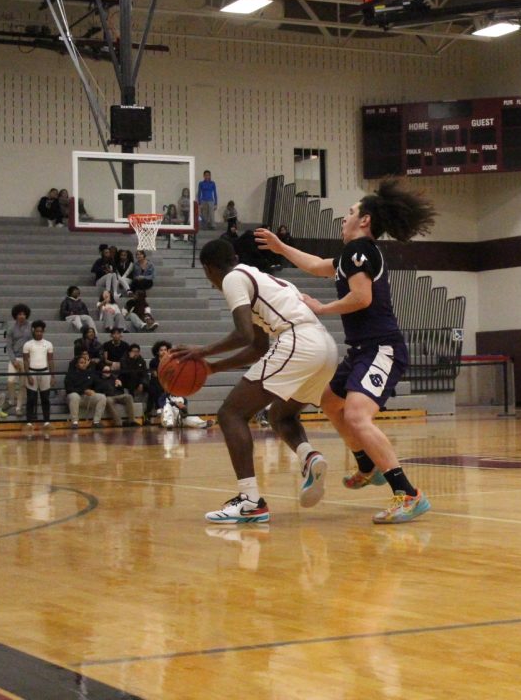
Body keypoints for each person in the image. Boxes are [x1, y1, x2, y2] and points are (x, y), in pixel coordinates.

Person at [255, 179, 435, 524]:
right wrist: (281, 248)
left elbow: (362, 298)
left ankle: (408, 494)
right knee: (330, 402)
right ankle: (367, 464)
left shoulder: (361, 251)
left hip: (381, 347)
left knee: (355, 415)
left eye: (350, 213)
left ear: (364, 220)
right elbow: (316, 265)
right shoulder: (350, 256)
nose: (344, 218)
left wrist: (321, 308)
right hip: (363, 349)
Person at [175, 238, 338, 524]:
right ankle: (309, 456)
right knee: (280, 415)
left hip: (298, 341)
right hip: (325, 346)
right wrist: (212, 368)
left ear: (209, 269)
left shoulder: (232, 278)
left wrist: (202, 351)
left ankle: (250, 501)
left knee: (230, 413)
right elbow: (258, 346)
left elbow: (243, 336)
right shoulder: (260, 278)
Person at [23, 320, 55, 432]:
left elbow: (50, 360)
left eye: (41, 331)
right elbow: (25, 361)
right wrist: (28, 375)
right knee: (31, 399)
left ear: (43, 331)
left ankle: (47, 421)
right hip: (32, 372)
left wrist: (52, 376)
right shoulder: (28, 344)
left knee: (45, 398)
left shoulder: (48, 344)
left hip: (45, 372)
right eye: (37, 331)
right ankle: (29, 422)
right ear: (33, 331)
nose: (39, 333)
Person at [64, 351, 106, 429]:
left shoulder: (90, 373)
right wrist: (83, 391)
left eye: (85, 362)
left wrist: (94, 391)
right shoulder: (70, 374)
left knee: (102, 397)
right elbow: (69, 389)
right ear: (76, 364)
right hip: (74, 397)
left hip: (86, 397)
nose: (84, 364)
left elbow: (99, 384)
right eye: (81, 363)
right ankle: (74, 422)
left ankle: (96, 421)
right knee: (74, 396)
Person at [94, 363, 136, 427]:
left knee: (129, 396)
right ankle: (118, 422)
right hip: (107, 396)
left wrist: (120, 386)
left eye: (109, 370)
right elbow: (97, 390)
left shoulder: (113, 378)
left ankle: (132, 421)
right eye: (106, 370)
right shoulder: (97, 380)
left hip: (117, 395)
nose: (108, 372)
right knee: (108, 400)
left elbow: (121, 391)